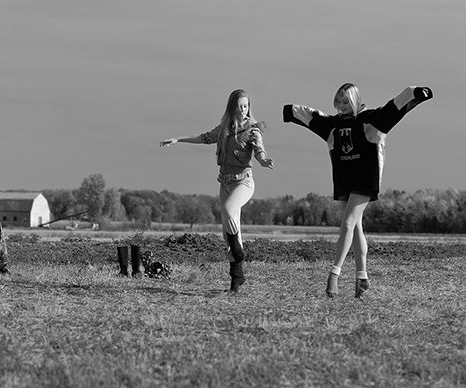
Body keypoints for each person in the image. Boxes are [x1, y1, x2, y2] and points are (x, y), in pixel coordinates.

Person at [283, 84, 433, 298]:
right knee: (355, 228)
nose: (342, 106)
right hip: (345, 180)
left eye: (346, 102)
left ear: (355, 100)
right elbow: (312, 116)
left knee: (347, 224)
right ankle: (362, 278)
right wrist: (290, 111)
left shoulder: (371, 119)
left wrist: (415, 93)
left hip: (365, 179)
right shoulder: (333, 124)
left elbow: (394, 107)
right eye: (339, 102)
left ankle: (333, 275)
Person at [160, 89, 274, 293]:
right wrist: (178, 139)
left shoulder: (252, 129)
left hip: (244, 182)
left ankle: (238, 251)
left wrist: (264, 160)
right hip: (225, 182)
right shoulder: (224, 128)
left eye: (246, 106)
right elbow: (205, 137)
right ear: (232, 107)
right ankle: (237, 279)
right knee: (228, 232)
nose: (243, 110)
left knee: (229, 210)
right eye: (240, 106)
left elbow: (259, 149)